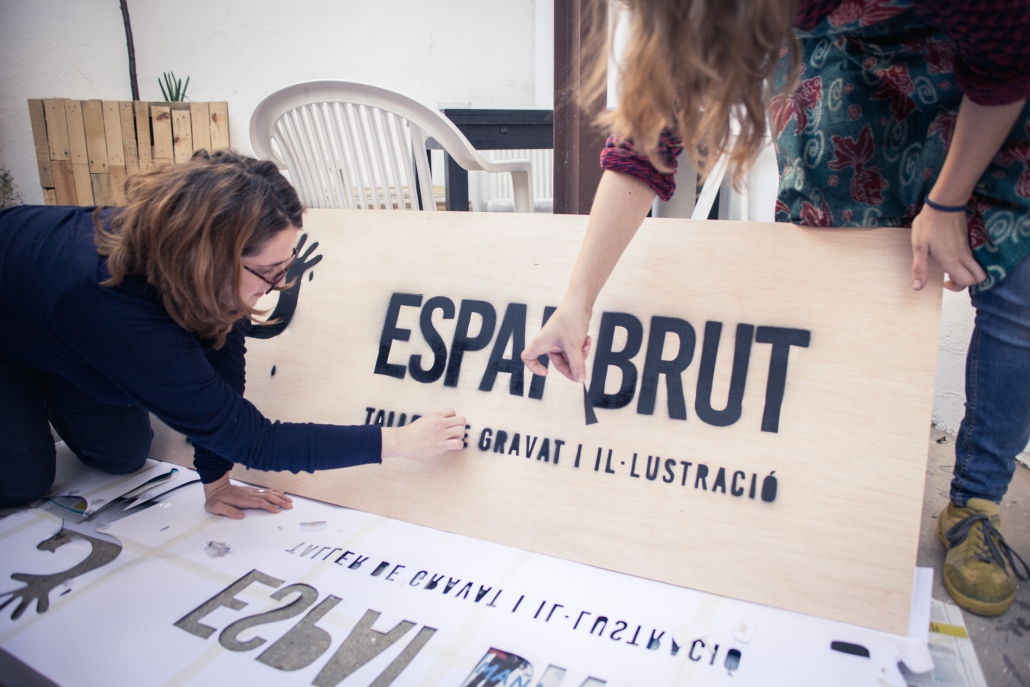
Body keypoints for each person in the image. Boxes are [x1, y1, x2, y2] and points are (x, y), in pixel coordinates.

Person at [523, 0, 1030, 616]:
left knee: (1018, 291)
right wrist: (577, 302)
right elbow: (641, 151)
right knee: (828, 277)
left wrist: (947, 206)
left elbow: (1007, 68)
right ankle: (823, 477)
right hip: (848, 73)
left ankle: (975, 503)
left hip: (995, 83)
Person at [0, 150, 466, 519]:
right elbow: (254, 439)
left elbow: (224, 381)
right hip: (24, 319)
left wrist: (216, 480)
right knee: (24, 484)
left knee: (122, 457)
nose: (281, 284)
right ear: (209, 258)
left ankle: (56, 368)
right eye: (269, 272)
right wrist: (400, 441)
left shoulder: (203, 263)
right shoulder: (120, 314)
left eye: (286, 267)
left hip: (57, 320)